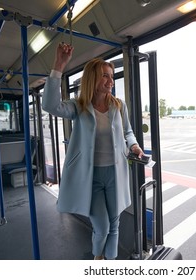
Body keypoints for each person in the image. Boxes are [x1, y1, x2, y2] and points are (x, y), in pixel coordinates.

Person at [42, 42, 144, 260]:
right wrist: (58, 65)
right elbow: (50, 106)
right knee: (103, 226)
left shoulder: (119, 106)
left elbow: (128, 132)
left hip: (115, 174)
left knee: (114, 224)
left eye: (111, 75)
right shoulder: (78, 106)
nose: (110, 80)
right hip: (92, 176)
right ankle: (98, 258)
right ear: (92, 79)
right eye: (105, 76)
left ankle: (111, 261)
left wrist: (134, 145)